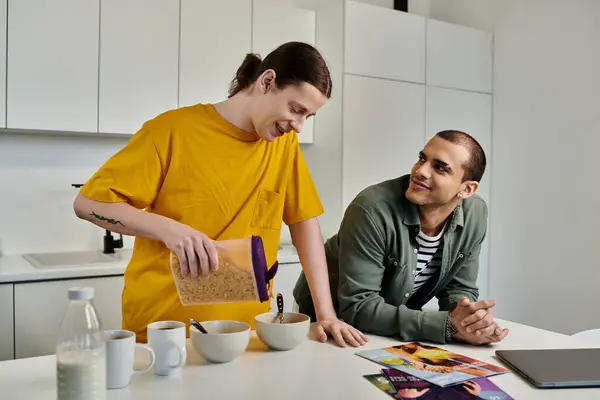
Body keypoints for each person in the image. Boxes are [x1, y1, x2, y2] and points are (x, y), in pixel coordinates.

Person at [73, 41, 366, 348]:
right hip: (166, 333)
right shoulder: (171, 131)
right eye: (295, 109)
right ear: (267, 81)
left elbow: (304, 222)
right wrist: (170, 230)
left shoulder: (283, 145)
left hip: (247, 335)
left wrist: (326, 314)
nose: (299, 126)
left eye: (309, 116)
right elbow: (88, 203)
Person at [293, 130, 509, 345]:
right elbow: (358, 306)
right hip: (328, 325)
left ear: (467, 188)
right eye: (422, 158)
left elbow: (459, 288)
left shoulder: (475, 214)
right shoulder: (372, 208)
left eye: (440, 167)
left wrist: (471, 321)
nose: (421, 171)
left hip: (393, 330)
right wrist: (447, 326)